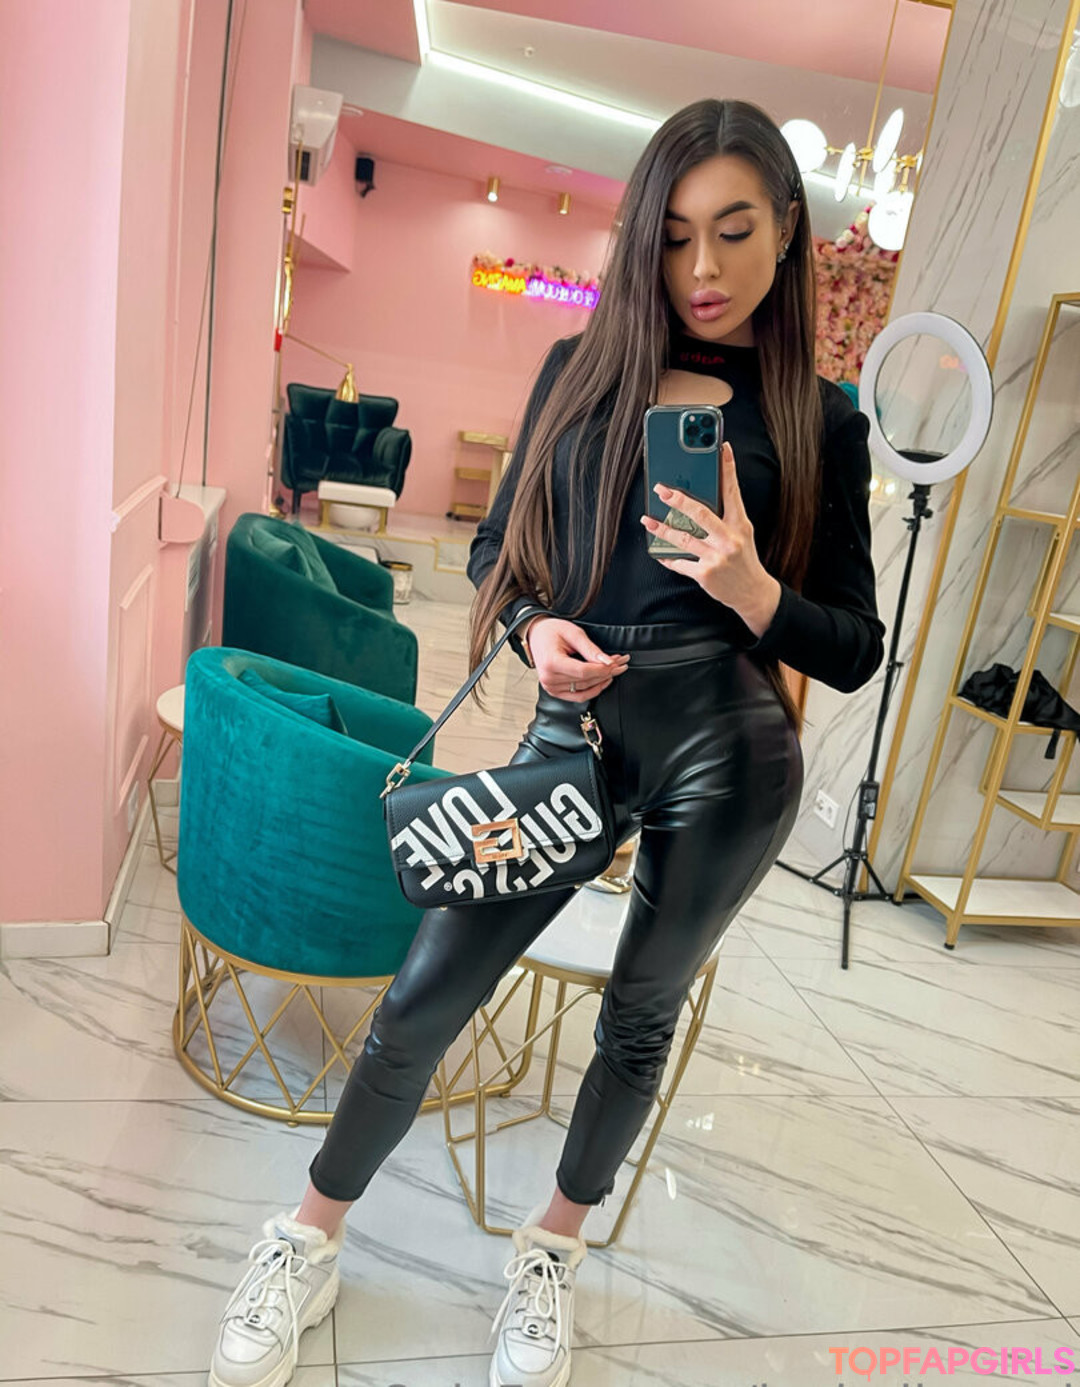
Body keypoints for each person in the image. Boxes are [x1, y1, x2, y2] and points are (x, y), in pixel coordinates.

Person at [207, 96, 886, 1387]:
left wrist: (755, 592)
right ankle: (309, 1234)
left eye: (736, 231)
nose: (702, 268)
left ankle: (553, 1248)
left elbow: (856, 646)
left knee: (639, 1014)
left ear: (790, 229)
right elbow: (493, 548)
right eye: (673, 235)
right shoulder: (580, 370)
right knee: (422, 998)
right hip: (573, 728)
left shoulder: (824, 420)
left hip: (727, 749)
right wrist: (530, 632)